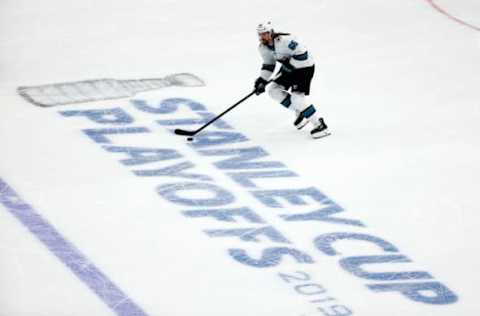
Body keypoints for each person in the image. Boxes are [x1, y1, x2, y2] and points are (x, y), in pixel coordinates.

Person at [253, 21, 329, 138]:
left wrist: (291, 63)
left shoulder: (285, 41)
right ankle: (301, 112)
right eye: (261, 34)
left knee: (297, 99)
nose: (263, 36)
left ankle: (320, 125)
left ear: (271, 32)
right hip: (288, 68)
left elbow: (303, 53)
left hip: (304, 68)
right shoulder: (263, 48)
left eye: (265, 33)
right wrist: (262, 80)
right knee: (273, 90)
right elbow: (269, 64)